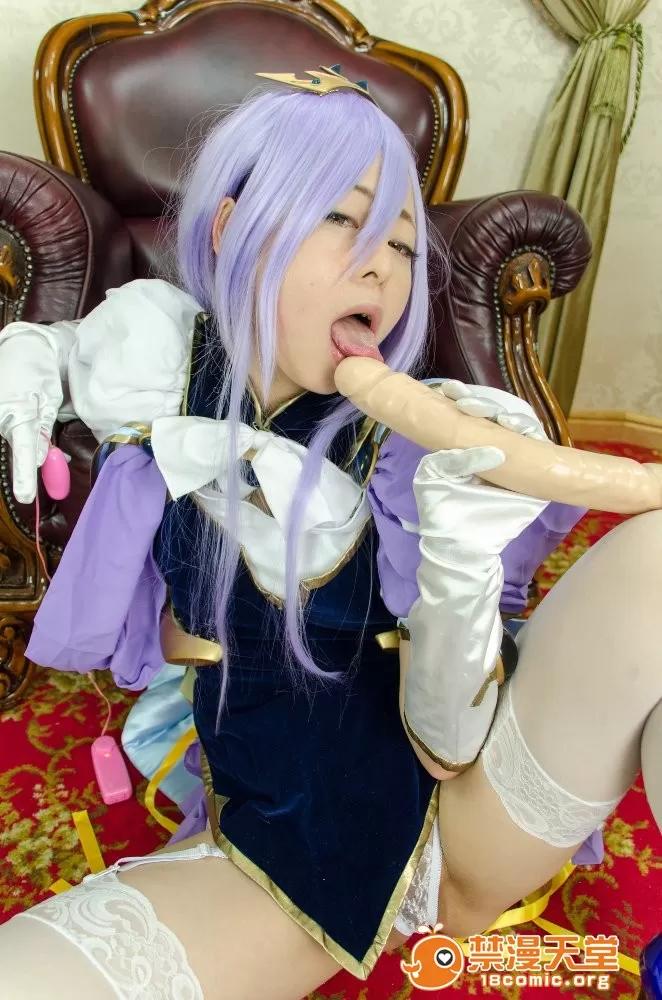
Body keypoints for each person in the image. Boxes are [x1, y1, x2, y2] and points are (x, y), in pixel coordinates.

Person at [0, 68, 660, 1000]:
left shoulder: (409, 449)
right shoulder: (159, 359)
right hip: (282, 848)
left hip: (469, 812)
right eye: (342, 218)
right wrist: (29, 354)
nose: (382, 265)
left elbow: (449, 746)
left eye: (402, 243)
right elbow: (72, 352)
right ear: (230, 228)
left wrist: (458, 562)